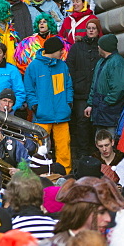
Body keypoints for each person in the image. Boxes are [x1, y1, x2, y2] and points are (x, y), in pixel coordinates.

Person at [24, 36, 73, 173]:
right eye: (60, 51)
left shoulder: (62, 65)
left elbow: (68, 86)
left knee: (64, 147)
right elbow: (29, 90)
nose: (62, 53)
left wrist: (68, 104)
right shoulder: (33, 66)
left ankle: (65, 174)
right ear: (53, 51)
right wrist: (35, 107)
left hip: (62, 115)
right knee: (40, 148)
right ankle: (40, 173)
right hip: (42, 116)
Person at [66, 20, 101, 164]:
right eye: (89, 28)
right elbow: (70, 66)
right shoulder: (77, 47)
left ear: (98, 31)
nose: (91, 31)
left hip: (97, 92)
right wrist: (76, 82)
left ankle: (96, 151)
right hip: (80, 92)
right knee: (81, 122)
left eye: (94, 28)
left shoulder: (100, 47)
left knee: (96, 122)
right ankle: (82, 153)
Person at [50, 177, 124, 242]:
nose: (108, 219)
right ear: (82, 211)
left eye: (108, 212)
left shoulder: (113, 240)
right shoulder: (54, 243)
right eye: (101, 212)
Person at [86, 33, 124, 134]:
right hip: (101, 109)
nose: (98, 47)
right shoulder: (101, 62)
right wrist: (90, 104)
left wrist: (105, 103)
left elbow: (120, 88)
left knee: (110, 139)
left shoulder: (117, 62)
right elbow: (94, 85)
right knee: (101, 139)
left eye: (99, 45)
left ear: (104, 47)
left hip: (110, 111)